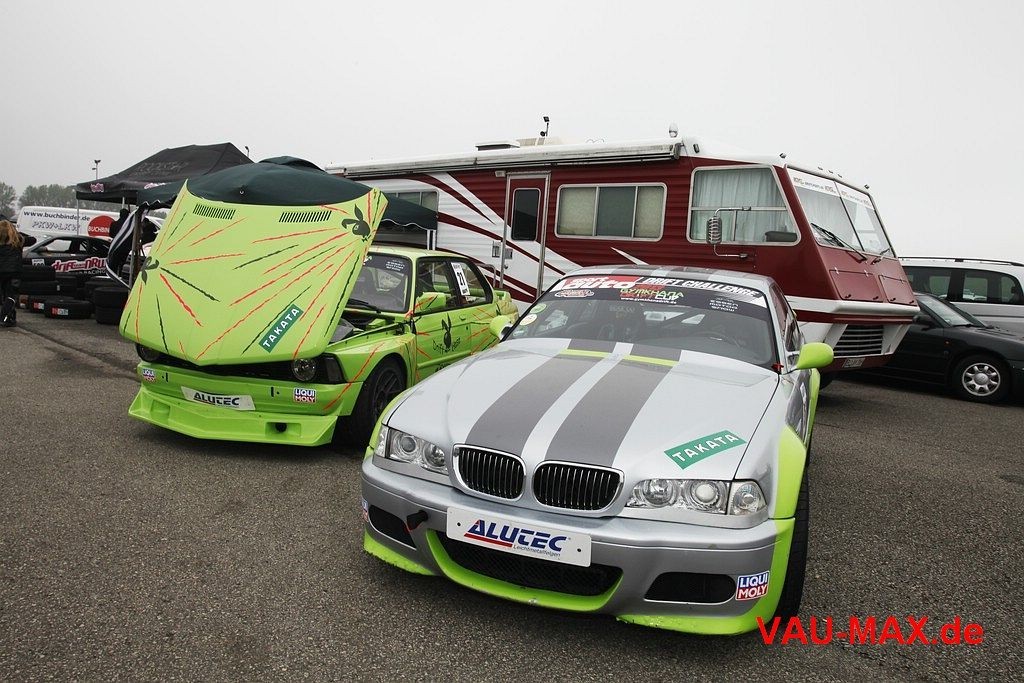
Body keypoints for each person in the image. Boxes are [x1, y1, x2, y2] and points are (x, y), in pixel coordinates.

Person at [0, 219, 24, 327]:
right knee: (11, 296)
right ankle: (4, 317)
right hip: (14, 272)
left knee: (4, 296)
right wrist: (17, 233)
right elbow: (33, 239)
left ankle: (9, 316)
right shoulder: (18, 241)